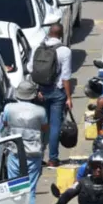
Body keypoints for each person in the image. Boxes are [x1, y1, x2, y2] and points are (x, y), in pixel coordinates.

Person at [1, 81, 48, 204]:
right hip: (33, 154)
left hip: (14, 151)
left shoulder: (9, 108)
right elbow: (44, 130)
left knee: (14, 187)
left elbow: (5, 124)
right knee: (30, 189)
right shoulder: (40, 111)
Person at [33, 23, 73, 168]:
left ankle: (38, 156)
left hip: (41, 91)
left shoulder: (39, 48)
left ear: (49, 33)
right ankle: (53, 159)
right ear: (61, 34)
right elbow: (66, 77)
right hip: (57, 92)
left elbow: (32, 70)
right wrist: (69, 97)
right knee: (54, 125)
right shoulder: (65, 51)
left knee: (41, 126)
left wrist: (37, 89)